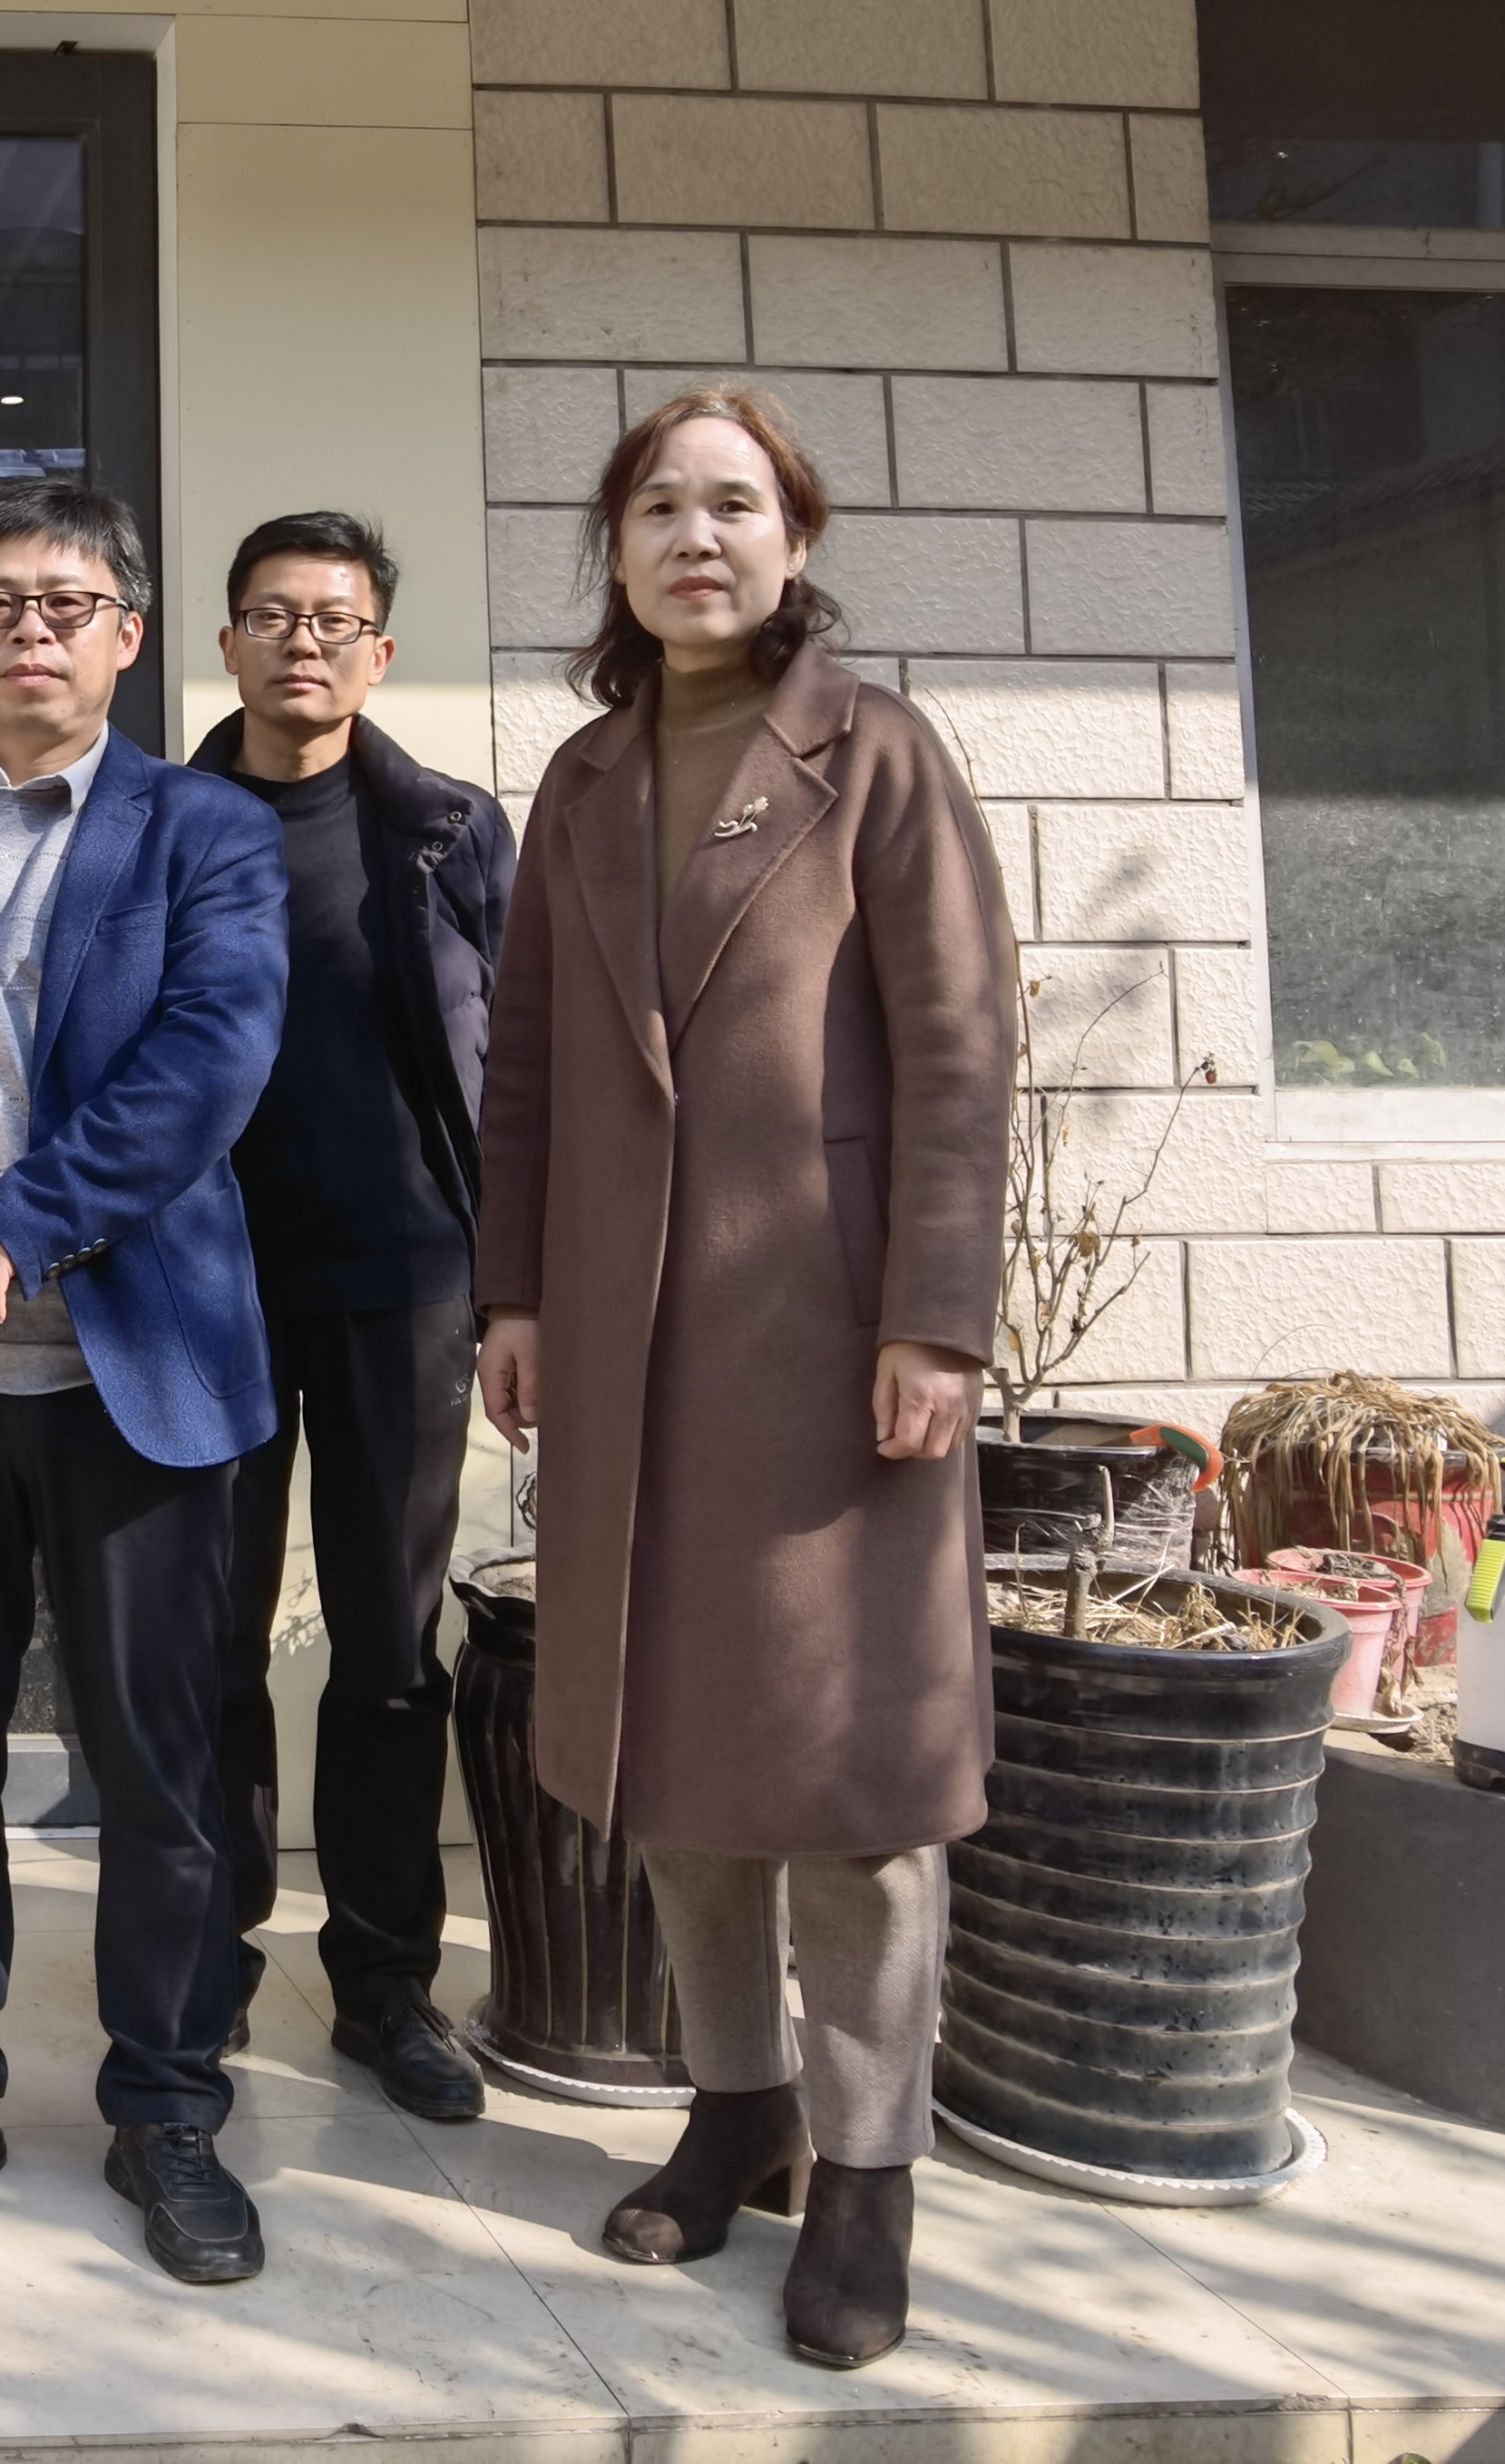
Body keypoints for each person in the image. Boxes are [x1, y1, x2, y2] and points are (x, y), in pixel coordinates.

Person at [471, 386, 1014, 2371]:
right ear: (614, 550)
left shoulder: (877, 755)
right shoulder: (584, 777)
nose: (694, 539)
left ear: (794, 540)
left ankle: (868, 2172)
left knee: (850, 1776)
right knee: (671, 1747)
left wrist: (935, 1315)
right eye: (656, 509)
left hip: (831, 1341)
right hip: (627, 1344)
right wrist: (514, 1295)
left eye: (733, 505)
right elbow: (526, 1063)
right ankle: (737, 2108)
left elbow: (959, 1048)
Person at [0, 480, 289, 2285]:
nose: (30, 631)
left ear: (128, 636)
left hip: (132, 1372)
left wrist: (14, 1220)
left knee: (158, 1770)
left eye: (66, 604)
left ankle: (166, 2102)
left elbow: (205, 1066)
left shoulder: (206, 830)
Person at [184, 511, 513, 2121]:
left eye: (333, 620)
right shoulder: (160, 822)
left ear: (378, 653)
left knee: (390, 1644)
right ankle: (207, 1956)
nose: (301, 642)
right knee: (211, 1641)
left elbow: (520, 1066)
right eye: (272, 615)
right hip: (205, 1288)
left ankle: (385, 1982)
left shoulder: (449, 830)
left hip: (403, 1279)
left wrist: (520, 1283)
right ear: (226, 643)